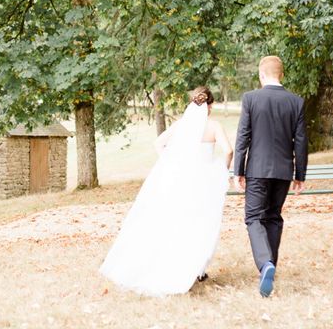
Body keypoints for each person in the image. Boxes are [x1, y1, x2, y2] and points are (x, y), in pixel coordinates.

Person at [99, 86, 233, 296]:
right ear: (210, 106)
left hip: (180, 181)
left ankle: (178, 266)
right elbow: (229, 151)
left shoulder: (181, 125)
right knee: (199, 224)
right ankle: (196, 269)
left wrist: (171, 164)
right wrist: (221, 171)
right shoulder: (214, 126)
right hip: (203, 182)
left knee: (176, 223)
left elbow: (158, 143)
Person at [234, 56, 308, 297]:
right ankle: (270, 266)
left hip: (257, 169)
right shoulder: (296, 102)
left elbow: (243, 136)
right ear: (282, 75)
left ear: (261, 75)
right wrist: (300, 174)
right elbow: (301, 141)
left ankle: (266, 264)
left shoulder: (251, 99)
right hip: (284, 171)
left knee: (253, 217)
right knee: (274, 217)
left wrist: (238, 171)